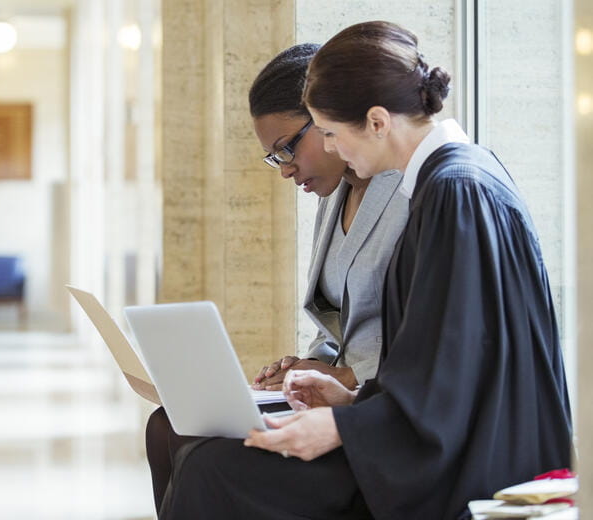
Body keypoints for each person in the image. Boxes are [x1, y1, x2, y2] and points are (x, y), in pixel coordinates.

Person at [160, 21, 573, 520]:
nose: (333, 149)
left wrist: (344, 426)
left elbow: (453, 377)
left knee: (212, 470)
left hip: (465, 463)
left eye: (331, 133)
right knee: (202, 457)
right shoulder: (450, 182)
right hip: (433, 440)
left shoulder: (456, 192)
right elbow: (435, 363)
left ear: (377, 122)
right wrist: (353, 400)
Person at [145, 43, 410, 514]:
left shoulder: (416, 194)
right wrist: (308, 365)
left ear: (327, 117)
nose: (286, 169)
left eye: (287, 148)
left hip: (375, 412)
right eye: (274, 157)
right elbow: (342, 322)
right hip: (336, 394)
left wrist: (347, 377)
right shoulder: (336, 193)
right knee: (167, 425)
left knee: (207, 462)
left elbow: (427, 345)